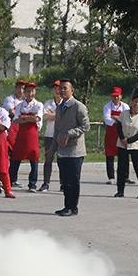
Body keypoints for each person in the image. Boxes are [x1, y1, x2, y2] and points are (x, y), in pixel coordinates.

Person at [53, 79, 90, 217]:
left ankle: (73, 207)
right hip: (62, 149)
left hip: (75, 150)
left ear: (72, 90)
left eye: (65, 88)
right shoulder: (60, 106)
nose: (62, 91)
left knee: (73, 180)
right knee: (65, 180)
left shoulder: (78, 106)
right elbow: (57, 128)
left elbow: (86, 126)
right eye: (60, 88)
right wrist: (53, 146)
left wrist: (69, 133)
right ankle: (66, 206)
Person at [9, 82, 43, 193]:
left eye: (32, 91)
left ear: (35, 92)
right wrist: (29, 117)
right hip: (21, 133)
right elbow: (16, 120)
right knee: (16, 156)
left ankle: (32, 183)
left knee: (34, 157)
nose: (30, 93)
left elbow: (37, 119)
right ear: (25, 92)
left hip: (32, 134)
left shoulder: (38, 105)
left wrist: (25, 118)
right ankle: (11, 179)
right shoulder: (19, 105)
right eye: (28, 91)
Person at [114, 93, 138, 199]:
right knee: (121, 168)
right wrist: (122, 138)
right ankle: (120, 190)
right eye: (135, 102)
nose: (137, 104)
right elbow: (119, 126)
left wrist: (129, 140)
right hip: (122, 143)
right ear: (131, 102)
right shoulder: (124, 113)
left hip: (135, 145)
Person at [103, 86, 131, 185]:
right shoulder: (107, 106)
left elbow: (127, 119)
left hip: (122, 133)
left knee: (124, 156)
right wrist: (119, 119)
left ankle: (125, 176)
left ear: (121, 96)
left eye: (117, 96)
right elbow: (107, 119)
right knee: (110, 156)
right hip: (111, 134)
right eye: (114, 96)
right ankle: (111, 177)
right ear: (111, 96)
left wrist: (115, 117)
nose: (116, 98)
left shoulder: (125, 106)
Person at [38, 80, 62, 192]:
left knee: (62, 160)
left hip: (62, 134)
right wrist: (57, 116)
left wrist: (53, 115)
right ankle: (46, 183)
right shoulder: (48, 103)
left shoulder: (66, 103)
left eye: (59, 88)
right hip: (50, 135)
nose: (57, 90)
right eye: (55, 88)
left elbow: (66, 118)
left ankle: (63, 184)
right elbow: (45, 116)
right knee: (48, 159)